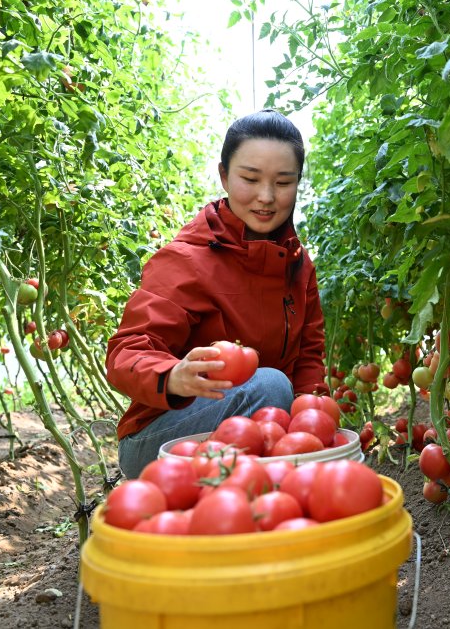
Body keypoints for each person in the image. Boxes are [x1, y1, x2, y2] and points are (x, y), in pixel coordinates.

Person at [106, 110, 327, 479]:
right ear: (224, 176)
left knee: (302, 408)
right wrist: (172, 376)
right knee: (269, 385)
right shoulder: (185, 259)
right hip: (160, 439)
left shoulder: (298, 266)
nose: (266, 196)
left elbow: (309, 358)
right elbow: (126, 351)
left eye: (283, 182)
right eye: (250, 178)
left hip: (258, 429)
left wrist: (314, 417)